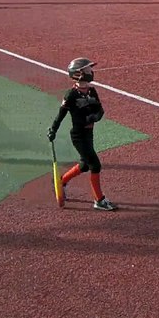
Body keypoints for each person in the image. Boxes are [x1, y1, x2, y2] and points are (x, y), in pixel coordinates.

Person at [47, 58, 118, 211]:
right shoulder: (71, 95)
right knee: (95, 165)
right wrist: (53, 130)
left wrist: (95, 117)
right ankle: (99, 200)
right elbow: (61, 114)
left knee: (85, 165)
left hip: (89, 134)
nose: (91, 73)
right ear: (78, 74)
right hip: (78, 136)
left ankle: (61, 181)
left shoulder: (92, 91)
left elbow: (100, 109)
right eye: (87, 70)